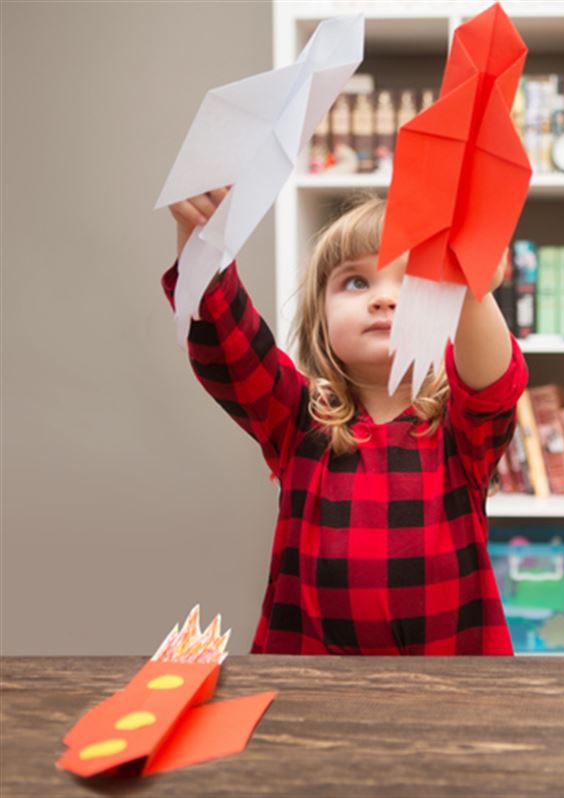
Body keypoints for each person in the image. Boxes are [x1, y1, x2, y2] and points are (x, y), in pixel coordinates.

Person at [164, 189, 527, 655]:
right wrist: (201, 235)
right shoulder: (297, 418)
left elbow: (494, 387)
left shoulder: (459, 432)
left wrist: (475, 296)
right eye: (357, 283)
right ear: (321, 317)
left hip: (450, 687)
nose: (384, 300)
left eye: (413, 281)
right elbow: (224, 340)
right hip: (308, 683)